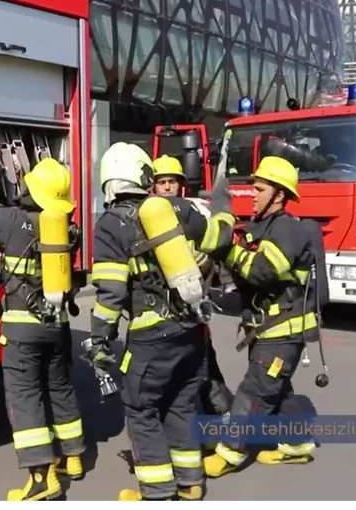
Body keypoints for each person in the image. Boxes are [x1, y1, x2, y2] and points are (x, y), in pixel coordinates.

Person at [89, 142, 238, 501]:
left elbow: (110, 292)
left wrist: (99, 339)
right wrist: (225, 209)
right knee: (181, 403)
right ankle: (190, 483)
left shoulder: (111, 222)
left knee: (141, 407)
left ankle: (156, 492)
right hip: (191, 328)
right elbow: (219, 238)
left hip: (150, 331)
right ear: (145, 177)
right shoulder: (178, 208)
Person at [0, 156, 86, 501]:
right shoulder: (69, 227)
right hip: (58, 324)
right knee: (60, 388)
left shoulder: (11, 220)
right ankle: (73, 457)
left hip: (23, 328)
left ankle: (40, 478)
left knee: (25, 397)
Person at [203, 156, 320, 478]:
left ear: (279, 194)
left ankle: (230, 454)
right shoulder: (261, 226)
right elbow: (239, 273)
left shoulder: (288, 230)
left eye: (259, 189)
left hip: (283, 330)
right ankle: (297, 446)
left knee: (255, 389)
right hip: (266, 328)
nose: (251, 194)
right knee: (277, 389)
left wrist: (227, 249)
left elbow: (262, 271)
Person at [152, 155, 234, 418]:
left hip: (192, 306)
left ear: (181, 185)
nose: (167, 187)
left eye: (172, 182)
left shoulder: (195, 212)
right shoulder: (145, 214)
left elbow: (216, 245)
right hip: (160, 310)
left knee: (204, 366)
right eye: (162, 182)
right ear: (153, 186)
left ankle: (221, 420)